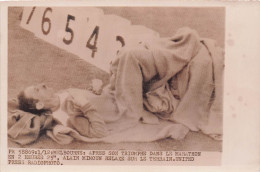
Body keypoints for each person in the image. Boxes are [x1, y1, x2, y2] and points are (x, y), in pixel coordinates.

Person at [17, 83, 116, 138]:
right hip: (121, 105)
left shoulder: (62, 93)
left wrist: (94, 86)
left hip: (113, 92)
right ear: (39, 105)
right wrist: (86, 106)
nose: (42, 84)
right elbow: (100, 132)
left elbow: (87, 95)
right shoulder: (67, 116)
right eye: (37, 90)